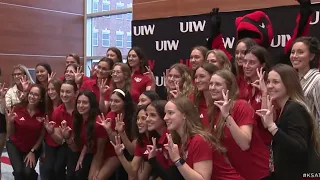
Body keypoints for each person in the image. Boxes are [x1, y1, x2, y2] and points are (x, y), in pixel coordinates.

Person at [256, 64, 320, 180]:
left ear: (288, 84)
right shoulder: (285, 107)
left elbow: (299, 148)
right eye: (268, 81)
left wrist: (272, 127)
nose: (270, 86)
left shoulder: (295, 109)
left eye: (275, 82)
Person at [6, 84, 46, 180]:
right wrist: (10, 122)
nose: (32, 96)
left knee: (28, 173)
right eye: (31, 93)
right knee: (19, 172)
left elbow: (41, 135)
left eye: (36, 95)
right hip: (15, 145)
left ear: (41, 98)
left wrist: (33, 151)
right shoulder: (17, 109)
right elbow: (10, 133)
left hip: (32, 147)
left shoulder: (43, 114)